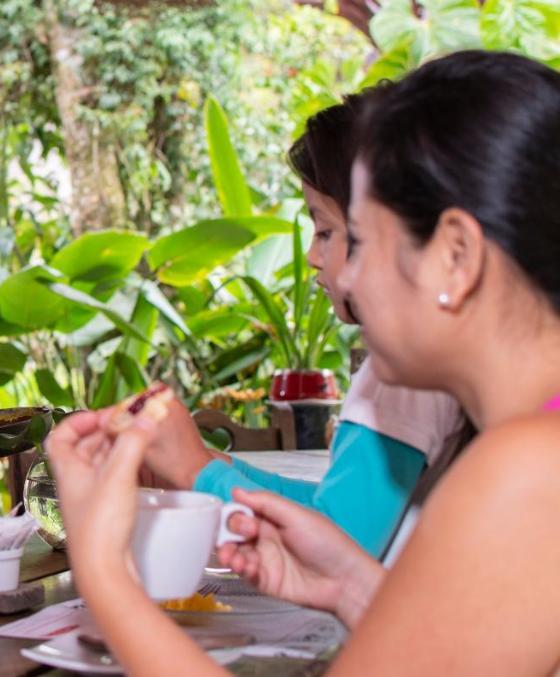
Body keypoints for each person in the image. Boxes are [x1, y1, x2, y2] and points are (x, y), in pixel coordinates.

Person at [49, 50, 560, 674]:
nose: (345, 273)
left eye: (362, 240)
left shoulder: (527, 467)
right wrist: (354, 587)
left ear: (455, 257)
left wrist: (105, 572)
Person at [138, 92, 466, 557]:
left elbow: (342, 541)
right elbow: (331, 507)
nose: (315, 257)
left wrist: (197, 471)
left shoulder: (407, 371)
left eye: (327, 231)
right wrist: (210, 465)